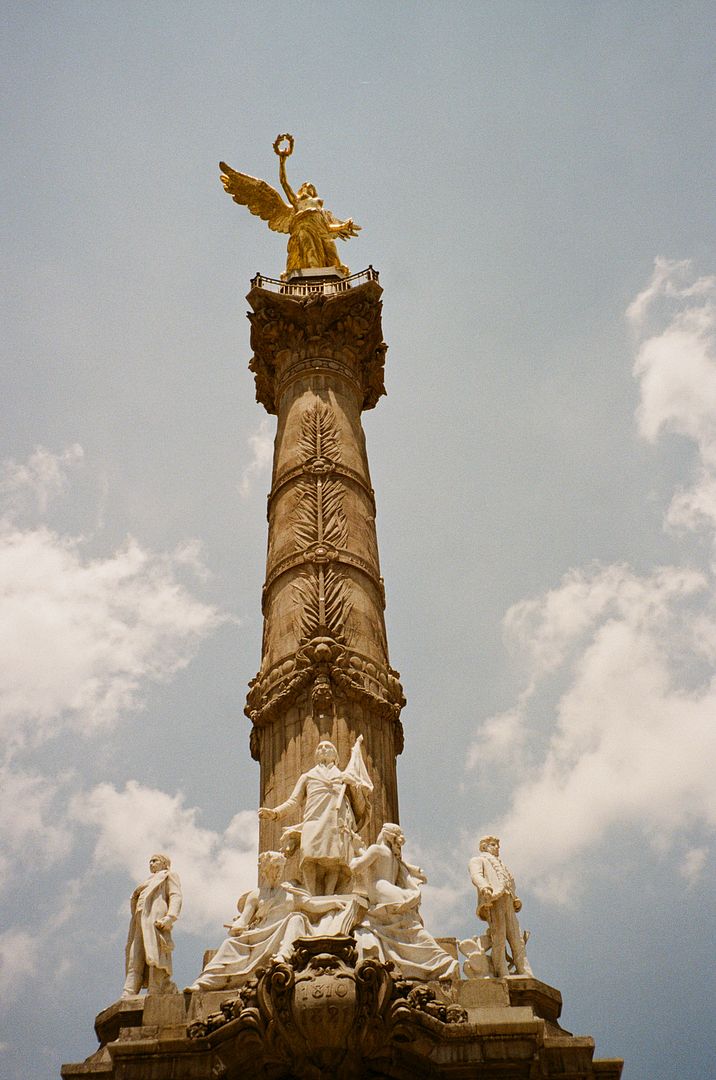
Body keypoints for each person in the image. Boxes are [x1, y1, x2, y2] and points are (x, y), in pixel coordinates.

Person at [186, 851, 349, 992]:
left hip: (282, 930)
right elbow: (243, 921)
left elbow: (310, 905)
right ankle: (204, 983)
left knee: (297, 918)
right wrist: (237, 927)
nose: (278, 872)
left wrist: (332, 903)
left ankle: (283, 956)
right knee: (230, 944)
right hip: (260, 934)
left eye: (280, 867)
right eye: (274, 867)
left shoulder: (289, 891)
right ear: (265, 870)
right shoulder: (255, 895)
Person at [258, 737, 372, 896]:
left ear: (335, 755)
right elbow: (293, 801)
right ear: (316, 755)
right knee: (309, 856)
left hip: (336, 820)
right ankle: (311, 894)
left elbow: (358, 805)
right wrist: (275, 813)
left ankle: (329, 894)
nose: (324, 749)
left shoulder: (344, 777)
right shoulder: (307, 776)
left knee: (334, 859)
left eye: (328, 747)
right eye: (320, 747)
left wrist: (353, 785)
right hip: (314, 819)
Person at [348, 823, 458, 981]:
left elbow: (356, 867)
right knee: (411, 930)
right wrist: (359, 847)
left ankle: (440, 962)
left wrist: (349, 850)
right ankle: (442, 961)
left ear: (384, 834)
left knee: (406, 930)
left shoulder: (376, 849)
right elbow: (374, 866)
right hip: (393, 892)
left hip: (382, 894)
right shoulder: (391, 856)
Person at [468, 836, 532, 978]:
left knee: (517, 938)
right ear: (484, 847)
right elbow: (476, 876)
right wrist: (484, 887)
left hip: (507, 899)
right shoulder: (478, 860)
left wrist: (515, 898)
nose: (497, 848)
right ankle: (501, 971)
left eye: (497, 845)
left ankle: (525, 970)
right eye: (493, 845)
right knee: (499, 936)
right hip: (494, 899)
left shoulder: (502, 865)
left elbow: (508, 881)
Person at [122, 853, 182, 998]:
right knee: (134, 957)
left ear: (164, 863)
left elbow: (175, 895)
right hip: (139, 922)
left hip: (155, 919)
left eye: (154, 861)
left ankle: (156, 989)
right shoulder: (145, 883)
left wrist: (170, 917)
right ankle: (129, 991)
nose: (151, 864)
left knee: (155, 954)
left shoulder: (169, 875)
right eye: (150, 861)